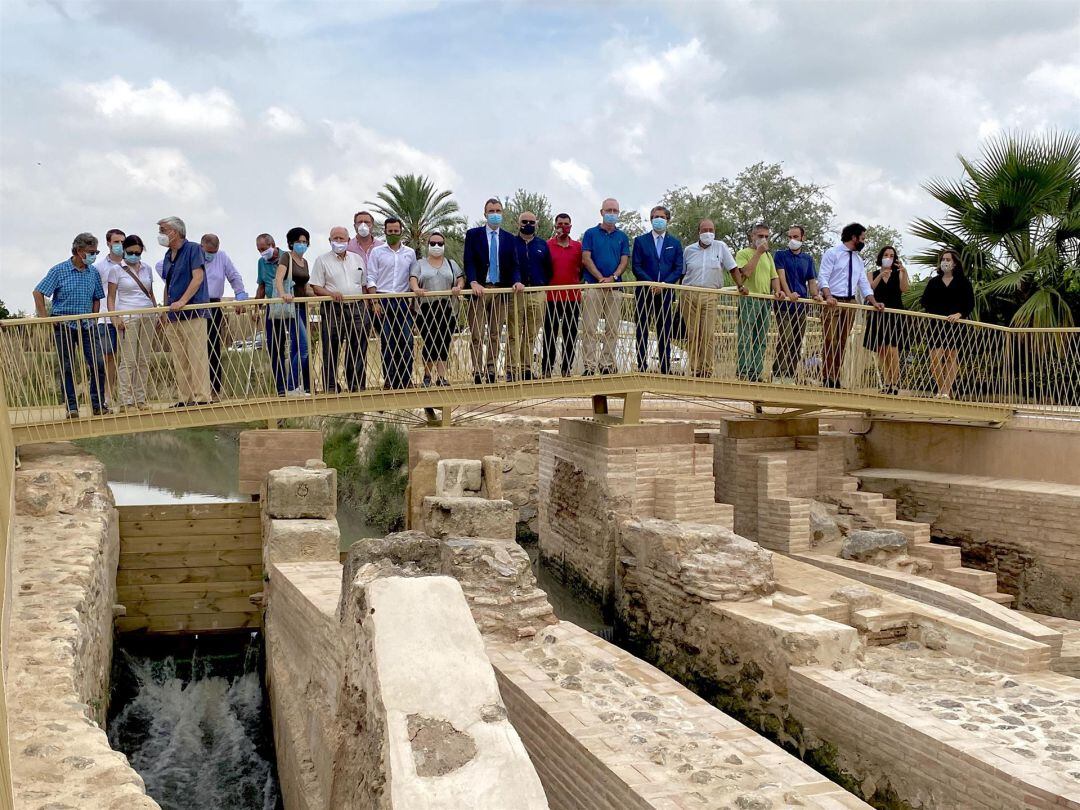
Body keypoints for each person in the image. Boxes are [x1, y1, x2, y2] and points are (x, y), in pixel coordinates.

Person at [33, 233, 108, 417]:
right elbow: (38, 292)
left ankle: (98, 405)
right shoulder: (59, 270)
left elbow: (97, 298)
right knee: (67, 366)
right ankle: (72, 407)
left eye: (96, 251)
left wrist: (93, 316)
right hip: (64, 324)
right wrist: (45, 318)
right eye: (91, 252)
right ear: (78, 250)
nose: (94, 255)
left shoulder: (93, 273)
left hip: (87, 325)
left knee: (98, 364)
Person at [818, 223, 885, 389]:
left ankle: (836, 376)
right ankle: (826, 376)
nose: (863, 241)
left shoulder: (858, 259)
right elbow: (823, 277)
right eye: (862, 238)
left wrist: (873, 301)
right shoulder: (833, 253)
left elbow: (863, 282)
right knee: (829, 339)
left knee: (842, 341)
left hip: (850, 301)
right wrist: (828, 295)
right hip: (832, 301)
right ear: (854, 237)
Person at [463, 198, 522, 383]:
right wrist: (472, 281)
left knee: (495, 333)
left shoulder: (510, 238)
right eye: (491, 211)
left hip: (500, 290)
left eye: (498, 210)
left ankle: (490, 369)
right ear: (485, 213)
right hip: (479, 290)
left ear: (502, 213)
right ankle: (477, 371)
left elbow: (514, 265)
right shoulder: (473, 235)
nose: (495, 214)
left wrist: (517, 281)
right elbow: (469, 260)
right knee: (476, 333)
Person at [158, 216, 212, 407]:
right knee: (179, 357)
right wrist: (165, 309)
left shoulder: (193, 249)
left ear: (175, 231)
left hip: (193, 311)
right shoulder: (167, 256)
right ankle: (185, 396)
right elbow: (169, 283)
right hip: (173, 314)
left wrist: (183, 301)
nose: (161, 234)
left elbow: (197, 278)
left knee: (196, 355)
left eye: (163, 230)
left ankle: (201, 396)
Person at [310, 226, 368, 393]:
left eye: (342, 238)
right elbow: (315, 286)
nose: (338, 241)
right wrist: (330, 293)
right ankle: (330, 385)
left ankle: (356, 385)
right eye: (335, 238)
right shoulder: (322, 260)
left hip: (357, 307)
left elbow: (363, 285)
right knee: (331, 346)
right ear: (330, 241)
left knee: (357, 347)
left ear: (348, 241)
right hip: (332, 309)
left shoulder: (358, 259)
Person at [680, 219, 736, 377]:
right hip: (689, 293)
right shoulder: (689, 250)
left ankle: (707, 369)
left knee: (708, 333)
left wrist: (740, 285)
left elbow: (732, 268)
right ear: (699, 232)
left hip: (711, 294)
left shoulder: (721, 247)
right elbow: (682, 273)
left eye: (711, 230)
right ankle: (695, 368)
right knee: (692, 333)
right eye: (705, 230)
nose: (708, 233)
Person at [107, 235, 157, 410]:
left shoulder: (147, 269)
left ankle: (140, 398)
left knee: (143, 359)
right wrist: (114, 317)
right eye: (130, 252)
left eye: (138, 253)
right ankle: (126, 400)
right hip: (128, 315)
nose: (134, 256)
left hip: (147, 314)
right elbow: (111, 296)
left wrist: (156, 311)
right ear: (125, 251)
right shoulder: (116, 270)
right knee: (128, 360)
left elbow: (150, 292)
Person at [631, 205, 683, 373]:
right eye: (655, 217)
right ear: (651, 219)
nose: (658, 219)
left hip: (666, 293)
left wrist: (663, 285)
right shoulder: (640, 241)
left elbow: (678, 268)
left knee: (664, 329)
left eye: (661, 217)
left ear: (667, 220)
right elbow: (636, 267)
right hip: (644, 292)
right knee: (642, 329)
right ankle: (642, 364)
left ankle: (665, 366)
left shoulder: (674, 243)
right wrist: (651, 283)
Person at [367, 217, 417, 389]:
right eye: (390, 231)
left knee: (407, 341)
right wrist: (374, 301)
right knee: (388, 342)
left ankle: (406, 379)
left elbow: (413, 276)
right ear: (385, 232)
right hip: (383, 299)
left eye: (396, 231)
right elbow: (371, 277)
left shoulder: (410, 253)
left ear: (401, 231)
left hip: (403, 300)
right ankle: (389, 379)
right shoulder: (377, 252)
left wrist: (411, 299)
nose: (393, 234)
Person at [580, 198, 630, 375]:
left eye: (615, 211)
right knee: (590, 328)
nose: (612, 214)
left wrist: (613, 277)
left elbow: (624, 260)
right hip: (594, 286)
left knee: (612, 328)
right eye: (608, 210)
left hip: (614, 288)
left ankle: (607, 363)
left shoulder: (622, 237)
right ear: (601, 212)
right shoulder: (590, 234)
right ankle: (589, 365)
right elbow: (586, 257)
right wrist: (601, 278)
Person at [254, 233, 307, 397]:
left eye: (263, 249)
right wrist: (257, 307)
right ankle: (281, 389)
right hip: (273, 306)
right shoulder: (261, 262)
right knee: (274, 347)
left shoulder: (287, 257)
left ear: (273, 245)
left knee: (298, 345)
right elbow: (262, 286)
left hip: (291, 305)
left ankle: (295, 384)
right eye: (259, 250)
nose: (261, 252)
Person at [410, 230, 464, 387]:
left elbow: (460, 280)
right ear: (427, 245)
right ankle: (427, 376)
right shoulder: (420, 264)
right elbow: (413, 279)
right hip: (426, 309)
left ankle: (441, 377)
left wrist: (458, 287)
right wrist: (416, 289)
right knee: (429, 342)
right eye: (433, 243)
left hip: (447, 308)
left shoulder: (451, 264)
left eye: (439, 243)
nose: (436, 246)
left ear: (444, 245)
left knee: (444, 342)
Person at [733, 223, 786, 382]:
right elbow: (745, 273)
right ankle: (742, 371)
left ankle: (755, 373)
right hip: (749, 299)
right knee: (745, 337)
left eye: (766, 236)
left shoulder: (769, 256)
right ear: (752, 236)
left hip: (765, 300)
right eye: (760, 236)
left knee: (761, 339)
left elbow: (774, 276)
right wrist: (758, 253)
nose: (763, 239)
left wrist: (778, 290)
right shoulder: (743, 253)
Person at [200, 233, 249, 402]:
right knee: (195, 349)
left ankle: (215, 390)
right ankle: (198, 391)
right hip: (194, 304)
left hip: (214, 305)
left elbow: (234, 277)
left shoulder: (222, 257)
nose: (211, 255)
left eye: (214, 251)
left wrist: (240, 296)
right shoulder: (192, 255)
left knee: (213, 347)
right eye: (209, 252)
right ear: (202, 247)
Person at [920, 248, 974, 399]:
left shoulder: (964, 282)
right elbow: (924, 301)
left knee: (951, 357)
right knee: (935, 358)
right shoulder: (933, 282)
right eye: (943, 259)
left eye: (948, 260)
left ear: (955, 263)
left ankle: (946, 392)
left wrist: (959, 314)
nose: (945, 262)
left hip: (955, 325)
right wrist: (934, 312)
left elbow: (970, 303)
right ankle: (941, 388)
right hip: (936, 325)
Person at [771, 225, 818, 383]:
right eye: (790, 237)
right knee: (786, 338)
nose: (792, 240)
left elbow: (811, 281)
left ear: (802, 238)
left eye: (796, 237)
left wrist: (816, 295)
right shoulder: (780, 255)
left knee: (797, 341)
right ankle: (778, 373)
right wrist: (789, 293)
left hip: (801, 306)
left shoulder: (808, 259)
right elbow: (780, 276)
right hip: (784, 305)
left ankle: (790, 375)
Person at [508, 210, 551, 380]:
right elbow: (509, 267)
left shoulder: (542, 245)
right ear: (518, 223)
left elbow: (548, 269)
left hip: (537, 293)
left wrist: (542, 285)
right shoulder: (511, 243)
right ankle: (511, 369)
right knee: (513, 333)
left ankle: (526, 369)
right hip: (516, 293)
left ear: (537, 224)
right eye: (524, 221)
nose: (528, 225)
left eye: (531, 222)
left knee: (531, 334)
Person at [863, 245, 909, 395]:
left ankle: (895, 383)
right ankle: (887, 382)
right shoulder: (872, 273)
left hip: (895, 313)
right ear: (881, 257)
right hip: (878, 313)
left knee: (893, 349)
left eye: (891, 255)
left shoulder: (898, 273)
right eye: (886, 255)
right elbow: (869, 289)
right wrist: (880, 276)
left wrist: (904, 272)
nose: (889, 257)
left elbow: (904, 289)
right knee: (882, 350)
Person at [273, 227, 314, 396]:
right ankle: (290, 386)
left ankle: (297, 386)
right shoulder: (286, 257)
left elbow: (305, 285)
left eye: (305, 242)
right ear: (291, 243)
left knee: (299, 347)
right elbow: (279, 278)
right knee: (304, 347)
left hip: (303, 306)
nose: (302, 245)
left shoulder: (305, 263)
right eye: (299, 242)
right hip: (291, 307)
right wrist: (283, 294)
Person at [543, 213, 583, 377]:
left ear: (571, 226)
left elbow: (582, 269)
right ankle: (546, 369)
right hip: (551, 298)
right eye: (560, 223)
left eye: (566, 223)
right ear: (555, 225)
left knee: (570, 334)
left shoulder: (578, 247)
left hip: (573, 298)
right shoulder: (547, 245)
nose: (563, 226)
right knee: (549, 335)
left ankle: (567, 369)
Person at [93, 227, 126, 405]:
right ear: (108, 243)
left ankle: (128, 396)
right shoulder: (98, 268)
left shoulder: (131, 264)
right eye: (116, 242)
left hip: (129, 316)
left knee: (130, 357)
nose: (119, 245)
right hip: (105, 318)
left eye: (122, 241)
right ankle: (108, 396)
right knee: (108, 357)